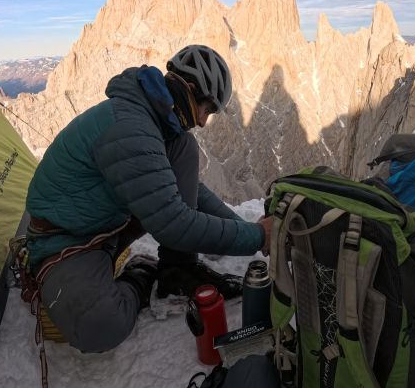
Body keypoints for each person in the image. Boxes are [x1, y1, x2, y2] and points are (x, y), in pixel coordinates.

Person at [24, 44, 271, 353]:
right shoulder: (132, 129)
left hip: (102, 225)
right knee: (100, 326)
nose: (204, 121)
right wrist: (257, 236)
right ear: (189, 89)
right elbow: (174, 223)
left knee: (185, 148)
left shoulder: (150, 120)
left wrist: (249, 229)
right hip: (66, 243)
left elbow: (192, 192)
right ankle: (141, 274)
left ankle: (178, 269)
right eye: (206, 109)